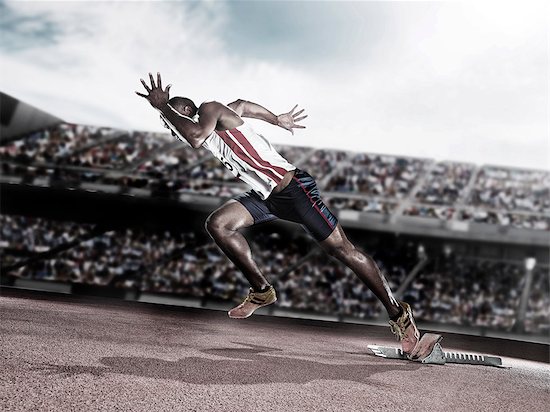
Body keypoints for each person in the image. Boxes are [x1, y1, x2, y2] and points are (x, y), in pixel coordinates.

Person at [136, 72, 439, 360]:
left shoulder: (208, 110)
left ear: (187, 111)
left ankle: (400, 315)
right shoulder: (221, 118)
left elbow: (196, 136)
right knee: (219, 224)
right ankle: (261, 291)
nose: (171, 129)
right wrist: (275, 119)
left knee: (344, 252)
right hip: (266, 198)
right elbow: (241, 105)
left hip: (293, 190)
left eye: (172, 122)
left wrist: (163, 106)